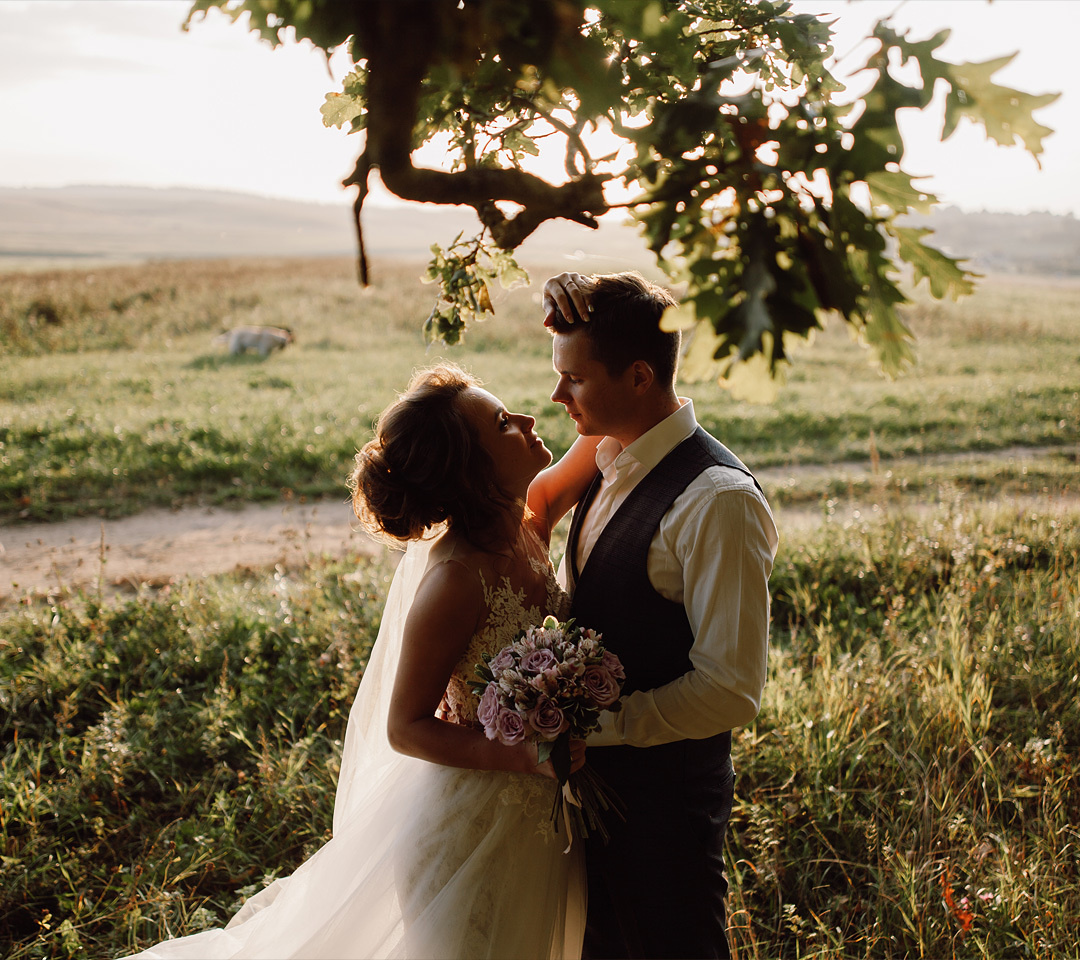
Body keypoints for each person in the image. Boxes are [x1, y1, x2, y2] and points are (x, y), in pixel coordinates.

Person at [123, 363, 602, 960]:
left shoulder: (526, 518)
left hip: (535, 813)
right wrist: (517, 755)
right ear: (473, 472)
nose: (529, 419)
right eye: (504, 423)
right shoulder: (456, 580)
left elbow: (603, 432)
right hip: (465, 826)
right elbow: (404, 727)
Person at [542, 271, 779, 960]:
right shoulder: (609, 454)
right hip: (590, 799)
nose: (557, 396)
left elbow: (730, 689)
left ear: (640, 376)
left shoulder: (717, 503)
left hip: (666, 812)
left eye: (574, 380)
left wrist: (595, 729)